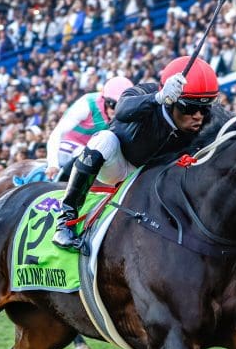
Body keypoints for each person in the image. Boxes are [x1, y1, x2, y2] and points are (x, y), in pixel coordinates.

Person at [53, 57, 219, 251]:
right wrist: (157, 98)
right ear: (170, 101)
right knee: (104, 140)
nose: (198, 116)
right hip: (120, 164)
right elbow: (123, 109)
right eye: (189, 108)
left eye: (204, 109)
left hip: (152, 176)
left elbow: (232, 126)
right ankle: (65, 221)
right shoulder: (146, 92)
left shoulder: (206, 118)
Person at [44, 76, 134, 181]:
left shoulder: (129, 113)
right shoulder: (86, 104)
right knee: (88, 157)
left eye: (121, 106)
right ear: (103, 98)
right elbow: (57, 133)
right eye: (112, 104)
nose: (116, 110)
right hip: (70, 146)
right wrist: (52, 164)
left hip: (97, 151)